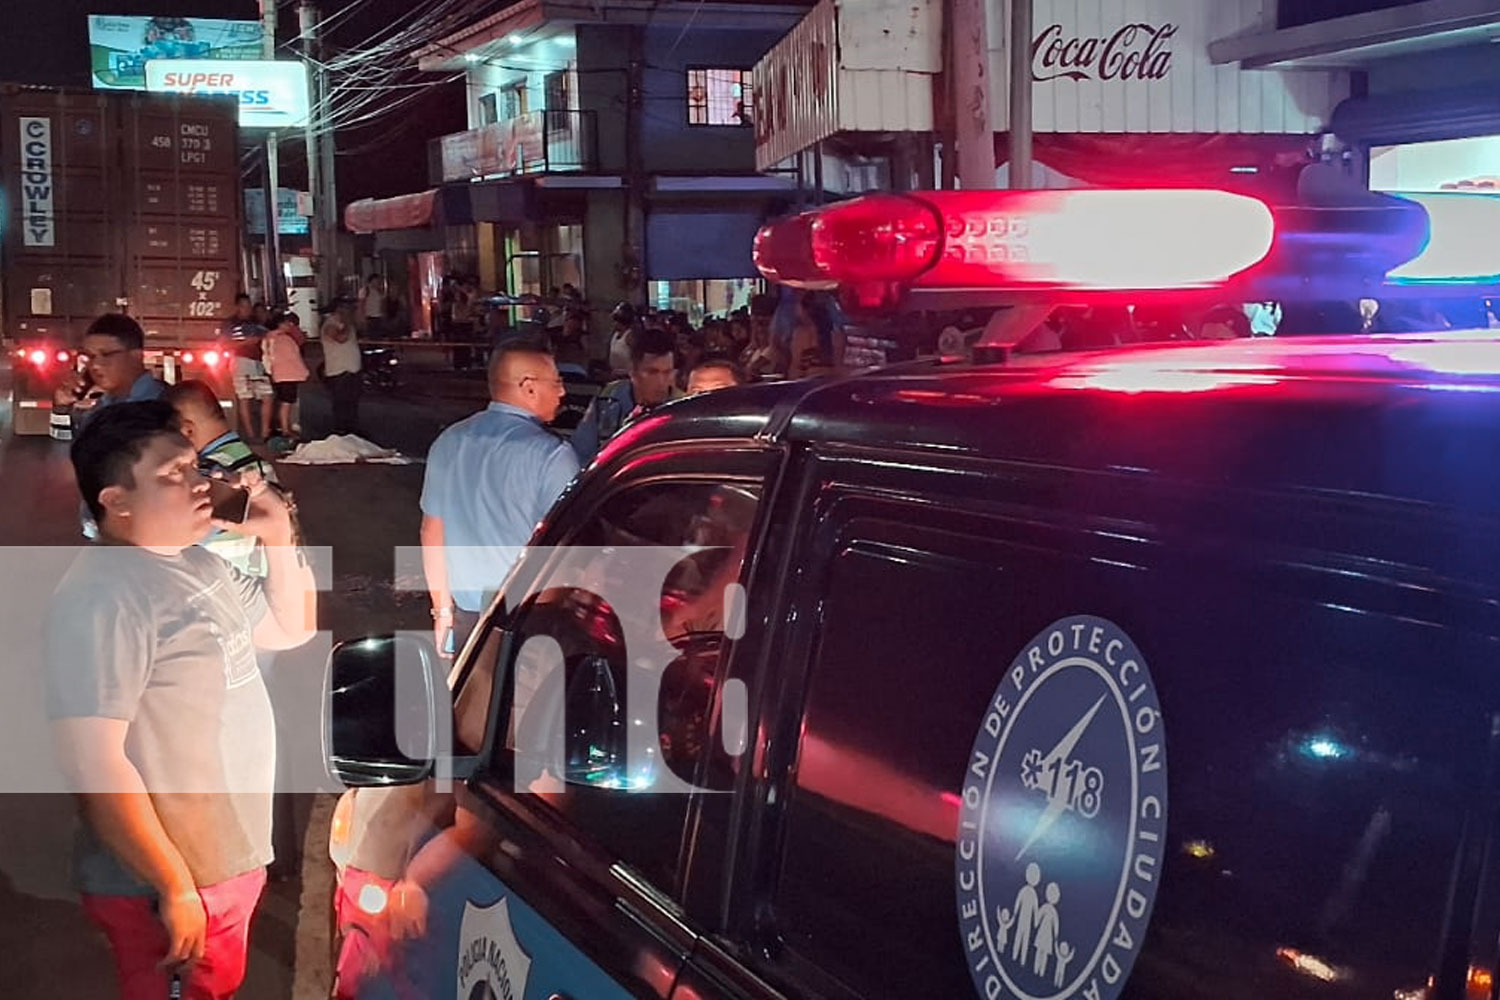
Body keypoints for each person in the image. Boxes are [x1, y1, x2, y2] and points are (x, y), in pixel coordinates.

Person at [46, 400, 315, 1000]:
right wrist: (172, 885)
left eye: (196, 467)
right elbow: (94, 762)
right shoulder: (104, 599)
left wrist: (276, 534)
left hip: (220, 860)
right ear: (116, 502)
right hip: (166, 882)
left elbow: (287, 630)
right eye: (173, 475)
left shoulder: (197, 564)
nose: (200, 484)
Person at [421, 341, 580, 654]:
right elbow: (565, 549)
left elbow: (431, 532)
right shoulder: (553, 455)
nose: (562, 392)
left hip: (465, 616)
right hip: (529, 618)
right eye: (557, 382)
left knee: (473, 700)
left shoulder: (449, 440)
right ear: (528, 387)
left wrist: (442, 611)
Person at [163, 379, 276, 578]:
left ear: (187, 431)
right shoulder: (258, 464)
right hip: (259, 580)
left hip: (218, 585)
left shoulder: (207, 473)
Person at [571, 327, 679, 465]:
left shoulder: (683, 406)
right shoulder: (609, 398)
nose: (661, 382)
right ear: (633, 372)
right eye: (652, 372)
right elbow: (581, 452)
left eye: (667, 372)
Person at [51, 314, 168, 441]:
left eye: (106, 354)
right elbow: (65, 453)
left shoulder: (167, 404)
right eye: (90, 356)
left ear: (136, 356)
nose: (95, 365)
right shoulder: (97, 411)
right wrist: (61, 408)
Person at [224, 294, 273, 443]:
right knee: (245, 398)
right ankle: (251, 435)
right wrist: (246, 343)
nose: (247, 309)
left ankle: (265, 434)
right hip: (240, 362)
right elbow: (224, 345)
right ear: (237, 307)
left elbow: (267, 335)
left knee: (267, 397)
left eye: (248, 306)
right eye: (244, 306)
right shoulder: (230, 324)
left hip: (258, 363)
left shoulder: (255, 323)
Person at [263, 310, 310, 442]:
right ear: (280, 324)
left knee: (283, 401)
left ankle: (283, 428)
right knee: (287, 403)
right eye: (287, 323)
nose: (289, 326)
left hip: (277, 374)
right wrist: (304, 372)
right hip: (289, 374)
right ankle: (285, 429)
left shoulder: (269, 338)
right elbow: (293, 356)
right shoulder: (284, 339)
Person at [321, 298, 362, 436]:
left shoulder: (347, 324)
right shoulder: (331, 324)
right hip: (340, 371)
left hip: (352, 369)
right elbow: (340, 338)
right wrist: (347, 323)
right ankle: (341, 431)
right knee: (342, 403)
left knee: (351, 403)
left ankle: (351, 430)